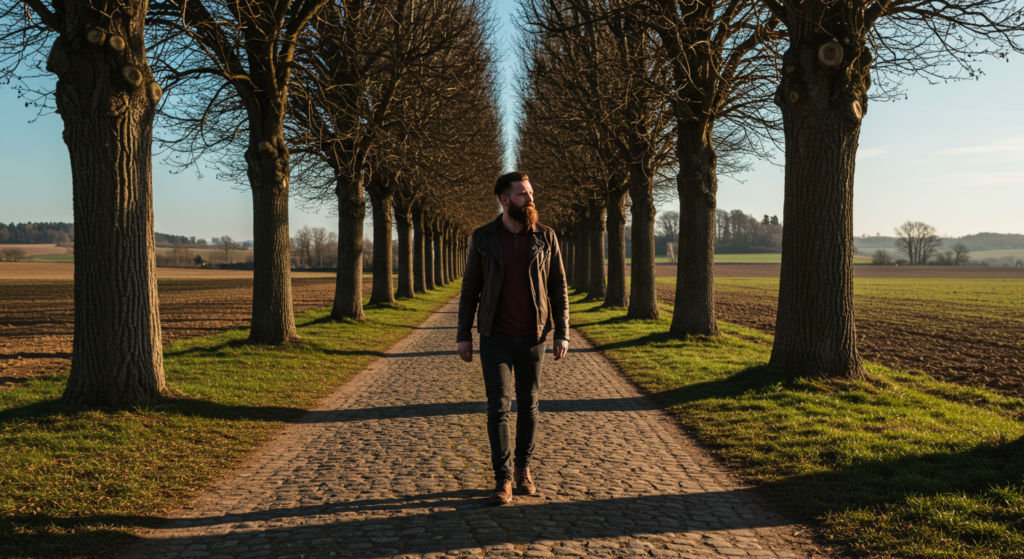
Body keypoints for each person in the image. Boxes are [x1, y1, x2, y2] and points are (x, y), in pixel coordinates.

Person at [457, 171, 570, 506]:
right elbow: (470, 290)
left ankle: (523, 468)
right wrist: (464, 335)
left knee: (529, 406)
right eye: (523, 194)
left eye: (531, 192)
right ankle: (503, 478)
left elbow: (559, 288)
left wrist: (562, 332)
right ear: (504, 200)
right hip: (495, 336)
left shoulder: (546, 237)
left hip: (534, 336)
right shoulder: (483, 238)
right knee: (498, 407)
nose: (530, 199)